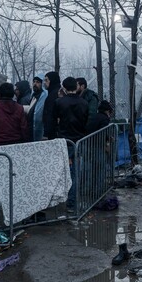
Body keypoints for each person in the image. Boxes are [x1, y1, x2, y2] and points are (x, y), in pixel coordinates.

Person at [53, 77, 88, 211]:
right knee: (75, 173)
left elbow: (55, 120)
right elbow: (85, 121)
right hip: (79, 141)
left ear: (65, 88)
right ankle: (72, 203)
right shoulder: (84, 103)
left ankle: (60, 201)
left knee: (62, 173)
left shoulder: (59, 102)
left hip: (64, 141)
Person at [26, 74, 48, 142]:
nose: (35, 84)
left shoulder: (44, 95)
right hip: (31, 128)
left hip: (39, 129)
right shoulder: (33, 95)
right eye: (34, 82)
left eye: (38, 82)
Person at [42, 71, 61, 140]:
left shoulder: (53, 95)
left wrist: (46, 133)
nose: (44, 83)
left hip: (53, 133)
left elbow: (49, 114)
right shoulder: (57, 92)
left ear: (52, 80)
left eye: (46, 80)